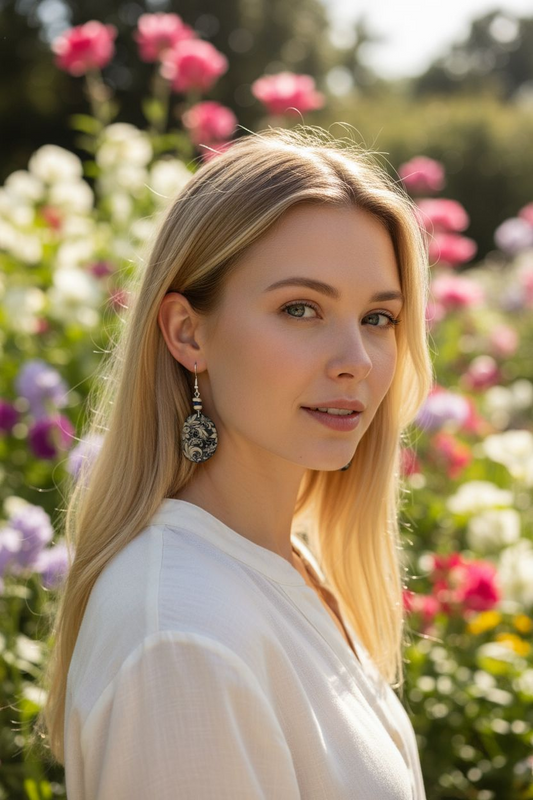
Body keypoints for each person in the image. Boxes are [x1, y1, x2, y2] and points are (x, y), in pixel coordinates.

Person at [33, 125, 434, 798]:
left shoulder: (281, 564)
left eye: (378, 318)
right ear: (189, 333)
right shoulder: (181, 642)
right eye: (300, 308)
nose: (355, 362)